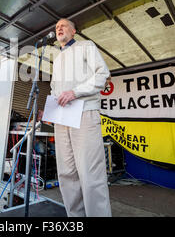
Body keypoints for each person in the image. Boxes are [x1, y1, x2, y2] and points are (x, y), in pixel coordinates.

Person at [51, 18, 112, 217]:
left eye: (63, 26)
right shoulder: (57, 58)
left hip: (85, 111)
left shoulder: (86, 46)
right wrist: (50, 109)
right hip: (62, 118)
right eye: (57, 27)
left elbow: (103, 74)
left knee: (90, 173)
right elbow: (54, 89)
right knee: (66, 173)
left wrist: (75, 92)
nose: (59, 28)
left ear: (74, 31)